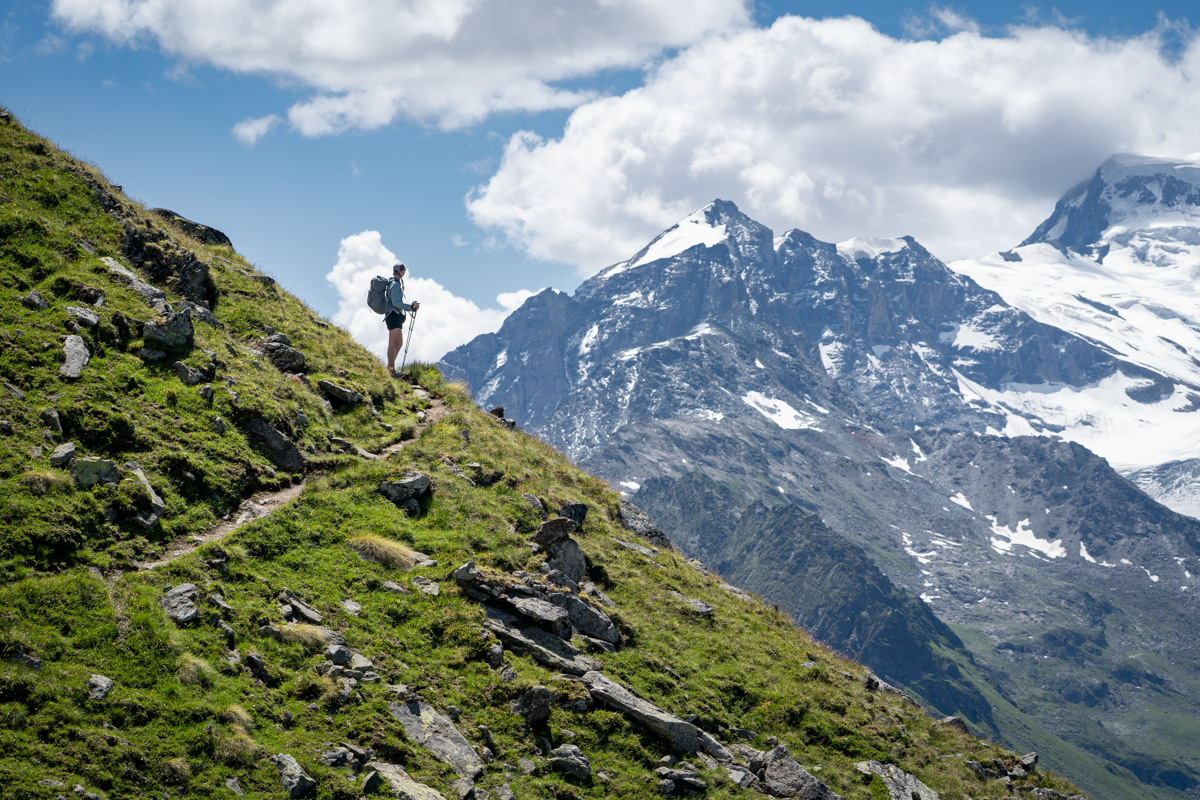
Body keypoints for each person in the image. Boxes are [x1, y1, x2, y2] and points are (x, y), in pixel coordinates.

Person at [385, 262, 420, 377]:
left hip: (395, 315)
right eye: (403, 270)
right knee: (393, 342)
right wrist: (410, 307)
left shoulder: (394, 283)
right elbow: (396, 302)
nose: (404, 272)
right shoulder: (395, 285)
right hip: (393, 315)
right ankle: (390, 369)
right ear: (400, 271)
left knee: (398, 343)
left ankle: (389, 367)